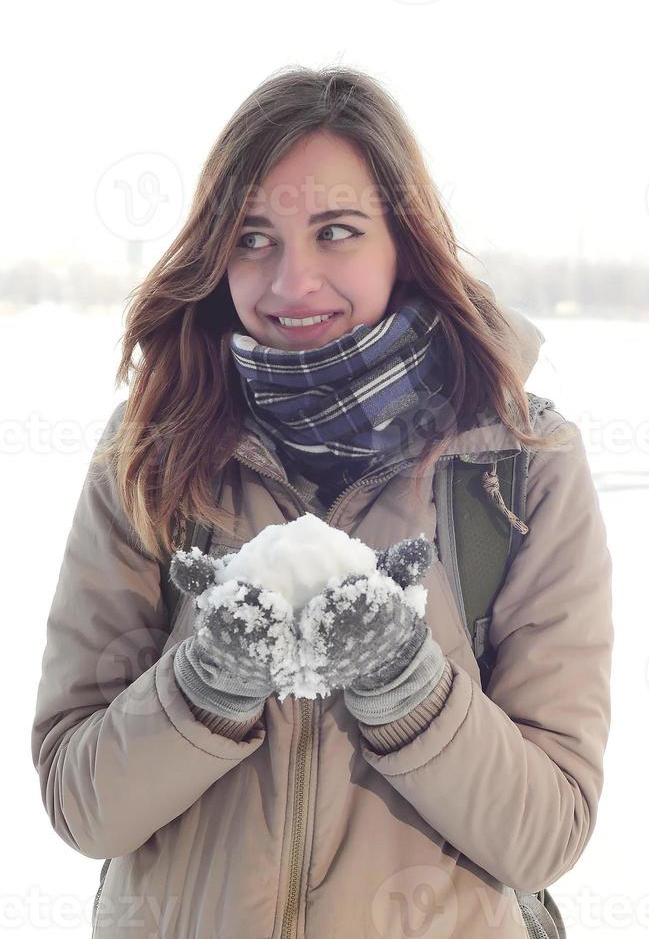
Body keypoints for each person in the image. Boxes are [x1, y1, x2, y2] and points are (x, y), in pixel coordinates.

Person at [31, 66, 613, 939]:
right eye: (253, 237)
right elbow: (83, 808)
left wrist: (404, 681)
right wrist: (207, 686)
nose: (289, 283)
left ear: (403, 242)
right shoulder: (149, 452)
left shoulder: (517, 464)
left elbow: (544, 834)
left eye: (335, 232)